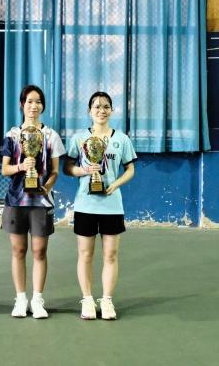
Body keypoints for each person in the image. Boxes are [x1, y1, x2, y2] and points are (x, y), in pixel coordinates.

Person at [64, 91, 136, 320]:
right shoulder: (79, 138)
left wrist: (116, 184)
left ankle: (107, 300)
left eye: (106, 106)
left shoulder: (121, 139)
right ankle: (87, 300)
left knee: (111, 255)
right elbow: (68, 168)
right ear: (89, 111)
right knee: (85, 254)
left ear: (111, 110)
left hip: (112, 206)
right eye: (96, 106)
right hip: (85, 205)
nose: (101, 110)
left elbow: (130, 169)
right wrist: (83, 170)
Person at [0, 85, 65, 319]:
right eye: (29, 101)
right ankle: (20, 299)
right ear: (22, 105)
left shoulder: (51, 135)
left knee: (39, 251)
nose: (34, 106)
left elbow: (55, 171)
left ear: (43, 106)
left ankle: (37, 299)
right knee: (18, 250)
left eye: (38, 102)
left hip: (41, 202)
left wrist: (47, 187)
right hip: (16, 201)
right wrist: (21, 166)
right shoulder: (12, 135)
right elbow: (5, 169)